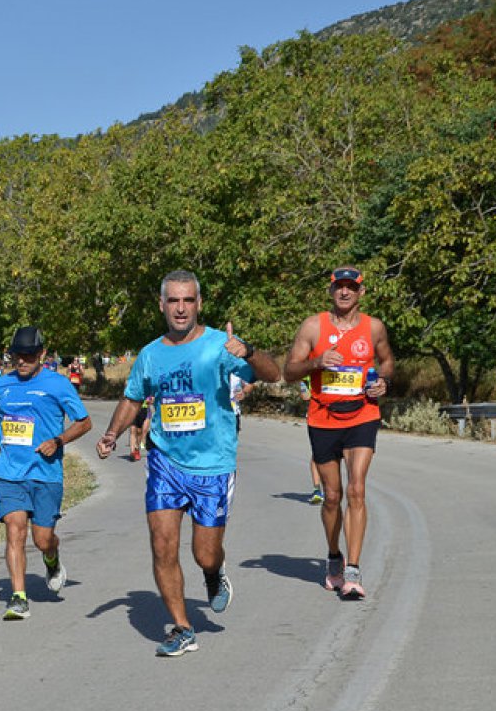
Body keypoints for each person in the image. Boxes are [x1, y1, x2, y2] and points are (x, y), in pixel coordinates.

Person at [95, 270, 280, 656]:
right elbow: (133, 397)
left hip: (213, 465)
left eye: (188, 300)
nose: (181, 308)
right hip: (165, 461)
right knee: (162, 545)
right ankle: (182, 627)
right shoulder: (150, 354)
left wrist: (248, 352)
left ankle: (214, 573)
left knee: (204, 554)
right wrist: (112, 433)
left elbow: (273, 374)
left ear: (199, 304)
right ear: (162, 305)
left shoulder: (219, 345)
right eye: (174, 301)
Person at [283, 266, 393, 599]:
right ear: (331, 291)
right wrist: (316, 363)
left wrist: (383, 381)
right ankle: (335, 556)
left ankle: (353, 571)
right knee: (332, 496)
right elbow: (289, 371)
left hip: (363, 415)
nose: (345, 292)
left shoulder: (373, 327)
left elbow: (387, 361)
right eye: (339, 287)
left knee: (357, 489)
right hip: (323, 419)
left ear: (361, 292)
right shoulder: (313, 327)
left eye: (351, 287)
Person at [0, 326, 92, 621]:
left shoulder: (58, 384)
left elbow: (84, 422)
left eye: (29, 355)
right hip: (10, 472)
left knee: (42, 539)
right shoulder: (1, 384)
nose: (22, 361)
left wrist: (58, 441)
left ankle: (52, 558)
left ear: (42, 354)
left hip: (45, 473)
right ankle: (19, 597)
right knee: (14, 528)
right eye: (16, 355)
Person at [129, 396, 152, 462]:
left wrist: (149, 400)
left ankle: (136, 448)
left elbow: (152, 398)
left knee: (141, 431)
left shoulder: (148, 390)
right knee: (133, 431)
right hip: (133, 409)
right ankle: (132, 452)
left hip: (145, 410)